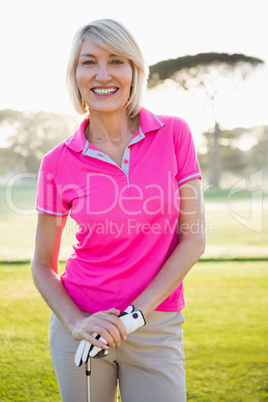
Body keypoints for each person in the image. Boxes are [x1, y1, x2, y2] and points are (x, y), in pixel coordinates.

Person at [31, 19, 205, 402]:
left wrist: (136, 314)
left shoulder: (174, 134)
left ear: (134, 72)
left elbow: (193, 239)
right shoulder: (57, 161)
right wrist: (77, 324)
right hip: (84, 322)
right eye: (89, 62)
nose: (103, 74)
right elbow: (42, 265)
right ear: (75, 75)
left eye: (117, 61)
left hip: (155, 322)